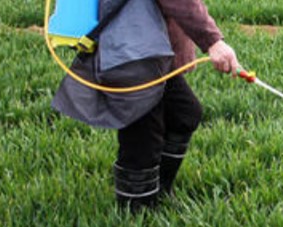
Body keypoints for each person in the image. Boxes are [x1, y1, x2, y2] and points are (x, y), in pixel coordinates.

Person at [51, 0, 241, 211]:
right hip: (133, 53)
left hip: (151, 51)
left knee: (184, 114)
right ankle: (136, 213)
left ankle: (159, 192)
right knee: (143, 137)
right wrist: (213, 41)